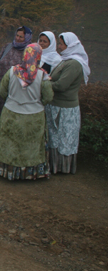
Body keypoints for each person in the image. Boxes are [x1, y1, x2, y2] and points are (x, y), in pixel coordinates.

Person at [0, 43, 53, 180]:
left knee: (9, 143)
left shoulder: (12, 71)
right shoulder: (43, 76)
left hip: (11, 112)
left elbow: (2, 91)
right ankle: (29, 173)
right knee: (30, 146)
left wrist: (13, 100)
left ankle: (6, 170)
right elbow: (48, 97)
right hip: (34, 117)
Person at [46, 32, 90, 174]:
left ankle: (61, 167)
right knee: (55, 136)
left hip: (64, 109)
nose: (59, 47)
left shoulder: (74, 64)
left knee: (62, 138)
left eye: (61, 44)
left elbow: (61, 85)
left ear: (70, 45)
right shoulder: (66, 60)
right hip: (57, 105)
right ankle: (53, 165)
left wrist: (44, 83)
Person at [0, 26, 32, 137]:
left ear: (27, 37)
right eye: (17, 35)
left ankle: (8, 134)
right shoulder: (8, 47)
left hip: (15, 87)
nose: (18, 38)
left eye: (21, 37)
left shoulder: (29, 51)